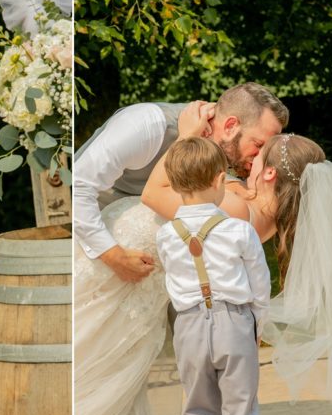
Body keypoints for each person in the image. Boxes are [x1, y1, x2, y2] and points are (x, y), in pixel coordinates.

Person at [75, 122, 332, 415]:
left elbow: (153, 193)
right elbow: (258, 286)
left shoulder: (232, 208)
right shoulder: (261, 212)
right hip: (214, 314)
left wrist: (189, 135)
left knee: (186, 398)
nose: (250, 160)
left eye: (259, 155)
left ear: (269, 173)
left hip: (163, 295)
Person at [74, 83, 287, 283]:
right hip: (94, 247)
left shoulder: (222, 156)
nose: (260, 156)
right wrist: (112, 256)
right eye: (258, 145)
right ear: (230, 126)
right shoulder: (147, 125)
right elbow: (81, 184)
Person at [156, 138, 270, 415]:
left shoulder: (166, 235)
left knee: (197, 410)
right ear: (221, 179)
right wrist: (257, 328)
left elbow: (172, 278)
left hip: (188, 327)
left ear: (175, 184)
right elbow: (260, 286)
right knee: (241, 410)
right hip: (234, 323)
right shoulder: (239, 230)